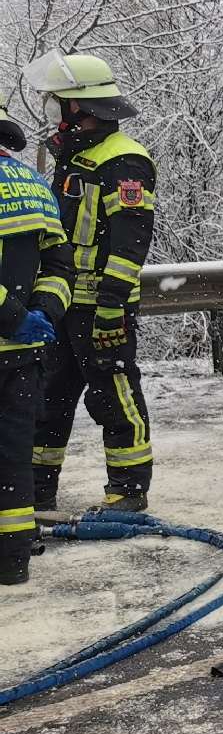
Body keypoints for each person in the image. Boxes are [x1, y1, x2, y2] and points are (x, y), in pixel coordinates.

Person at [21, 52, 157, 515]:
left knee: (114, 394)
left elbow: (130, 243)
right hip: (63, 305)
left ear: (81, 106)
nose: (52, 110)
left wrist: (112, 305)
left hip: (102, 308)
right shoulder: (75, 155)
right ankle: (36, 489)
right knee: (47, 399)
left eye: (57, 101)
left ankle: (128, 490)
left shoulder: (125, 161)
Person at [0, 96, 73, 582]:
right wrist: (41, 312)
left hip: (12, 335)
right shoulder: (32, 185)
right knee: (13, 460)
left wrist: (7, 315)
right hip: (23, 356)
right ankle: (12, 562)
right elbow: (59, 265)